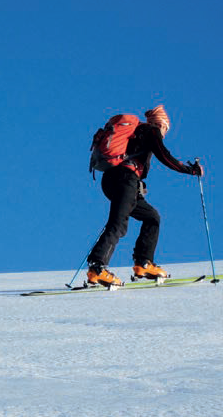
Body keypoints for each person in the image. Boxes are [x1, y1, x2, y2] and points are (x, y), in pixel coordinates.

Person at [86, 105, 203, 287]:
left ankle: (143, 263)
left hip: (113, 180)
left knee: (152, 217)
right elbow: (164, 155)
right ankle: (97, 267)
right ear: (161, 124)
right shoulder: (151, 131)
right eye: (166, 128)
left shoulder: (136, 132)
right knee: (118, 224)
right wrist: (190, 170)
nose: (165, 133)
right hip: (125, 179)